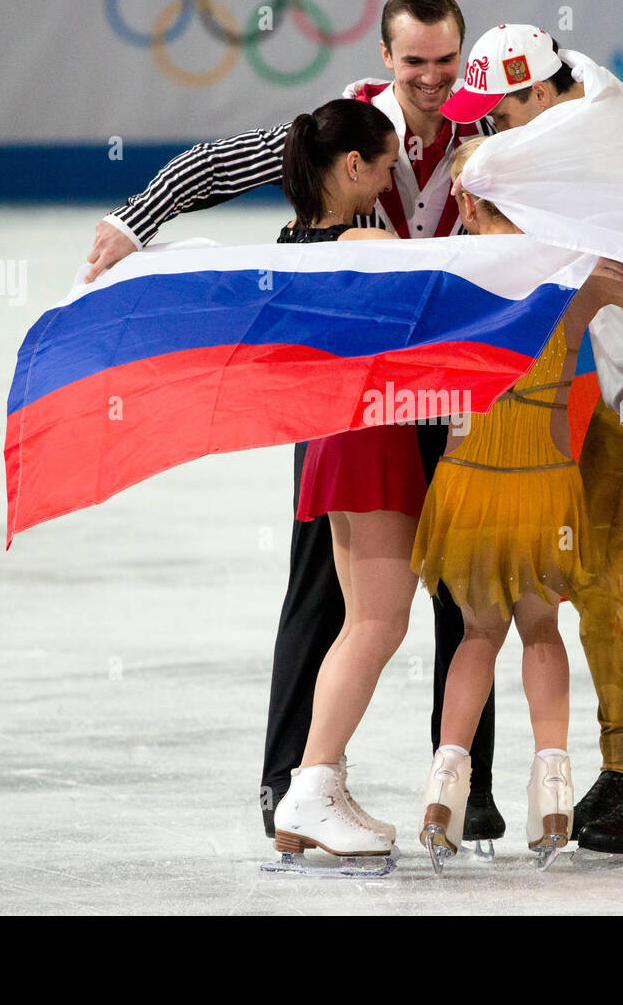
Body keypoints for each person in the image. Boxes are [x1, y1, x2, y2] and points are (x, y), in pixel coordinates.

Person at [83, 0, 506, 844]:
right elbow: (220, 163)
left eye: (445, 61)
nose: (431, 78)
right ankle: (290, 778)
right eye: (414, 61)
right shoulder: (344, 131)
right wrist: (133, 223)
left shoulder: (487, 135)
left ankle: (463, 785)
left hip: (451, 393)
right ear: (386, 58)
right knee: (326, 590)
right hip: (345, 401)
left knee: (466, 588)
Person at [441, 25, 623, 857]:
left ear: (541, 95)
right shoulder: (558, 125)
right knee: (592, 577)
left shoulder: (596, 124)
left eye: (498, 113)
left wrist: (478, 159)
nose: (489, 130)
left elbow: (473, 170)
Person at [266, 98, 412, 860]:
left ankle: (312, 790)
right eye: (387, 168)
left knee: (360, 623)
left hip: (332, 437)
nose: (392, 182)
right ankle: (314, 785)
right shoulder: (367, 242)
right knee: (381, 624)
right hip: (374, 436)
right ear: (353, 166)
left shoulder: (291, 241)